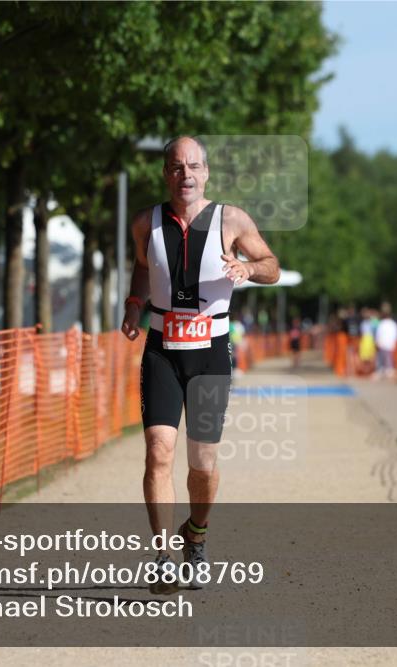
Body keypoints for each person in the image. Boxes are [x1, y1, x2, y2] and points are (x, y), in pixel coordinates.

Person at [121, 136, 280, 592]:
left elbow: (273, 264)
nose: (185, 175)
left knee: (203, 464)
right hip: (162, 349)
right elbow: (142, 266)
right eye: (175, 166)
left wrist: (249, 269)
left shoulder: (231, 219)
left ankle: (196, 535)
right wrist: (135, 302)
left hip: (210, 351)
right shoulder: (144, 223)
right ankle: (163, 557)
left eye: (193, 166)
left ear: (206, 172)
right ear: (165, 173)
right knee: (158, 451)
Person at [374, 304, 397, 379]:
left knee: (386, 358)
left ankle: (386, 370)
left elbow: (378, 334)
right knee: (386, 358)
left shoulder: (383, 323)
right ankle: (385, 370)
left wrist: (378, 341)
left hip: (385, 344)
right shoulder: (388, 323)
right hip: (386, 344)